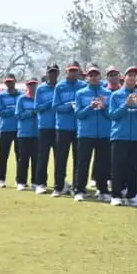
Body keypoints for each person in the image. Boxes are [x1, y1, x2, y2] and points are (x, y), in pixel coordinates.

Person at [108, 66, 137, 206]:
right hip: (119, 136)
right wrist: (126, 105)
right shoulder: (116, 95)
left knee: (134, 168)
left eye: (135, 76)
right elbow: (112, 115)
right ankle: (116, 195)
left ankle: (132, 195)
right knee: (118, 167)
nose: (132, 78)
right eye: (130, 75)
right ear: (125, 77)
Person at [73, 64, 111, 201]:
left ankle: (102, 190)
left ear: (100, 77)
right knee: (83, 163)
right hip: (85, 134)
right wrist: (90, 107)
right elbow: (78, 114)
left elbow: (110, 115)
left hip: (104, 134)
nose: (94, 77)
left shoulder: (108, 93)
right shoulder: (80, 93)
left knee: (102, 164)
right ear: (87, 78)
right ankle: (79, 190)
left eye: (96, 75)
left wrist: (104, 107)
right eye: (91, 75)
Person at [51, 63, 84, 197]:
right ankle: (58, 187)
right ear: (66, 72)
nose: (73, 73)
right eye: (71, 71)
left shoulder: (83, 86)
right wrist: (69, 107)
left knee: (79, 159)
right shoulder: (60, 86)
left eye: (75, 71)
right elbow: (55, 106)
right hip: (63, 127)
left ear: (78, 72)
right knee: (61, 158)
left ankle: (77, 187)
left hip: (79, 128)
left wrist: (78, 107)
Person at [34, 65, 60, 194]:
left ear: (58, 73)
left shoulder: (61, 87)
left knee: (59, 158)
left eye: (55, 72)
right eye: (50, 72)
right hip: (44, 127)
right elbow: (37, 108)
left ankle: (59, 183)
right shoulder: (41, 89)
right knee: (42, 156)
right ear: (47, 74)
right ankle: (40, 183)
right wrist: (50, 104)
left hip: (58, 127)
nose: (53, 75)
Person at [14, 78, 40, 190]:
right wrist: (30, 113)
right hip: (24, 133)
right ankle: (21, 182)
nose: (32, 86)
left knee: (36, 159)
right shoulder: (22, 99)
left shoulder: (39, 98)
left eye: (34, 84)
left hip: (37, 133)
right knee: (23, 159)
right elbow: (18, 114)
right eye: (30, 84)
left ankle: (35, 182)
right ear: (27, 86)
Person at [0, 75, 20, 187]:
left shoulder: (21, 95)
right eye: (7, 82)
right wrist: (15, 110)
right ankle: (0, 179)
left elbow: (22, 110)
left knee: (20, 156)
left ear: (15, 81)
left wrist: (11, 110)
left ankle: (20, 180)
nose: (9, 84)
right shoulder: (1, 96)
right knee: (3, 155)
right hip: (5, 129)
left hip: (19, 129)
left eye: (11, 81)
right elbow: (1, 112)